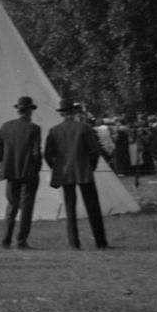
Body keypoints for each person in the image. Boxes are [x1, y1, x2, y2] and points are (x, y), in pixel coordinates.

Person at [44, 99, 110, 250]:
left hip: (65, 173)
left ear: (62, 114)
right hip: (84, 170)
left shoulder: (54, 131)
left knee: (70, 208)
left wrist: (57, 168)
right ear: (73, 113)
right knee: (93, 207)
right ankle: (100, 241)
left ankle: (74, 243)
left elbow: (48, 154)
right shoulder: (84, 128)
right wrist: (90, 167)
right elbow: (94, 151)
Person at [0, 96, 42, 249]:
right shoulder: (34, 128)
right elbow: (36, 152)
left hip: (11, 170)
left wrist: (3, 160)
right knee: (26, 207)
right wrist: (37, 166)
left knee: (12, 204)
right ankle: (21, 240)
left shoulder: (6, 127)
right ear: (30, 111)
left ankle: (6, 239)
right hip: (28, 171)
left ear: (18, 110)